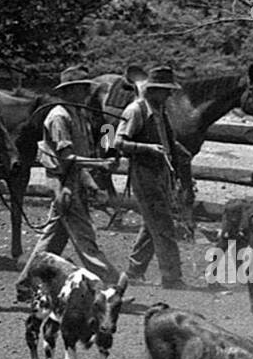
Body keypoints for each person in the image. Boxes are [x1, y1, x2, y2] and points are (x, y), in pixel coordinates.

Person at [27, 65, 120, 284]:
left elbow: (101, 138)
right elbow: (67, 157)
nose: (87, 93)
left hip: (76, 178)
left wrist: (94, 174)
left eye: (87, 88)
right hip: (64, 182)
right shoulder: (59, 117)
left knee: (51, 240)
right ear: (69, 91)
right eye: (82, 89)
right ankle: (113, 284)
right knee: (85, 240)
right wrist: (101, 163)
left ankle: (25, 283)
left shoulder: (83, 115)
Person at [103, 65, 188, 288]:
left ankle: (134, 270)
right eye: (166, 90)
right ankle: (172, 277)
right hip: (144, 174)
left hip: (160, 174)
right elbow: (118, 141)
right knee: (164, 225)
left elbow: (164, 138)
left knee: (152, 223)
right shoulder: (135, 110)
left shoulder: (160, 111)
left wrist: (176, 149)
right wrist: (147, 148)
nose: (170, 94)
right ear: (153, 90)